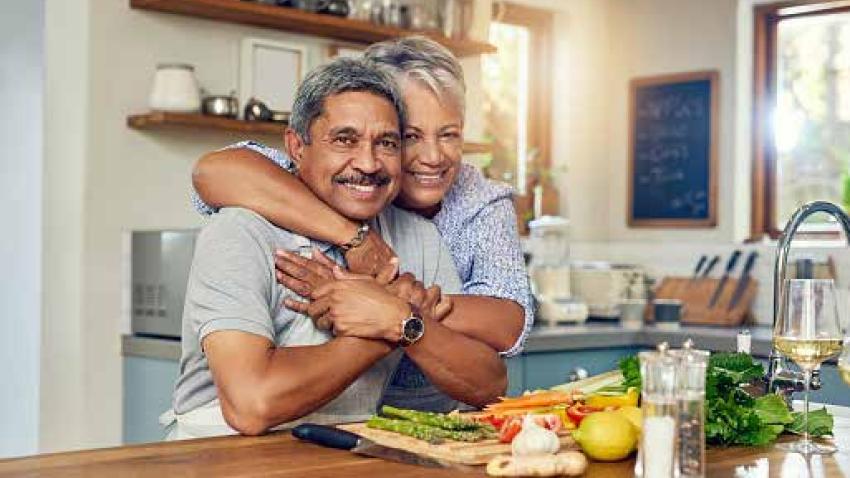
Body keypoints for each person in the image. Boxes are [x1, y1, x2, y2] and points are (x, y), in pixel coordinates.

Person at [167, 57, 506, 439]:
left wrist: (399, 319)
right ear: (296, 146)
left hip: (343, 450)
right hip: (221, 453)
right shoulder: (240, 232)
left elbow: (489, 384)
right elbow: (251, 406)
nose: (368, 162)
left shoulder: (417, 237)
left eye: (387, 143)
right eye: (345, 140)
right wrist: (391, 325)